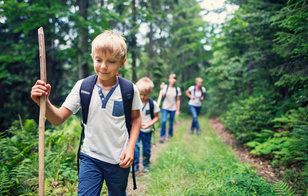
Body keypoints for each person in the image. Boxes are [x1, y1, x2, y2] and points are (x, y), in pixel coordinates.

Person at [31, 30, 142, 196]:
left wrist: (130, 148)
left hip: (119, 160)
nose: (103, 66)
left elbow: (136, 118)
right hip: (91, 158)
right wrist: (44, 103)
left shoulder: (129, 90)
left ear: (122, 62)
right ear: (92, 57)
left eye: (111, 61)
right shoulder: (83, 87)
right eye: (99, 60)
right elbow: (58, 118)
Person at [133, 77, 160, 173]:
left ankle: (146, 165)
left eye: (145, 95)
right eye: (140, 94)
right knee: (135, 148)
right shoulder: (134, 103)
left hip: (147, 131)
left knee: (146, 148)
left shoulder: (153, 104)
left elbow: (156, 117)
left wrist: (149, 124)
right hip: (135, 130)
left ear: (150, 92)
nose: (142, 97)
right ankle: (135, 165)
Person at [159, 74, 181, 143]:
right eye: (171, 78)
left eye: (174, 78)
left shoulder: (177, 89)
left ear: (176, 80)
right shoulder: (165, 87)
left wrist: (177, 110)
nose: (173, 80)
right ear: (169, 79)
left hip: (173, 108)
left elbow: (178, 100)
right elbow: (162, 97)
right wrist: (162, 89)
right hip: (165, 107)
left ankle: (169, 135)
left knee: (171, 122)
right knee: (164, 121)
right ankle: (162, 136)